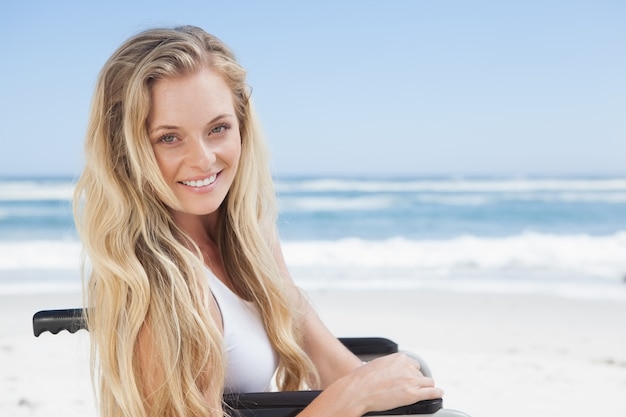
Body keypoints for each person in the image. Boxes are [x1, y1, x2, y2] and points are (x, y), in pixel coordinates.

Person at [73, 25, 443, 417]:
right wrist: (350, 399)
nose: (203, 159)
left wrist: (384, 386)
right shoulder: (157, 286)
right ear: (127, 150)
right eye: (169, 137)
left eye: (218, 129)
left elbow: (333, 366)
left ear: (242, 127)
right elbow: (345, 390)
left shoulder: (251, 237)